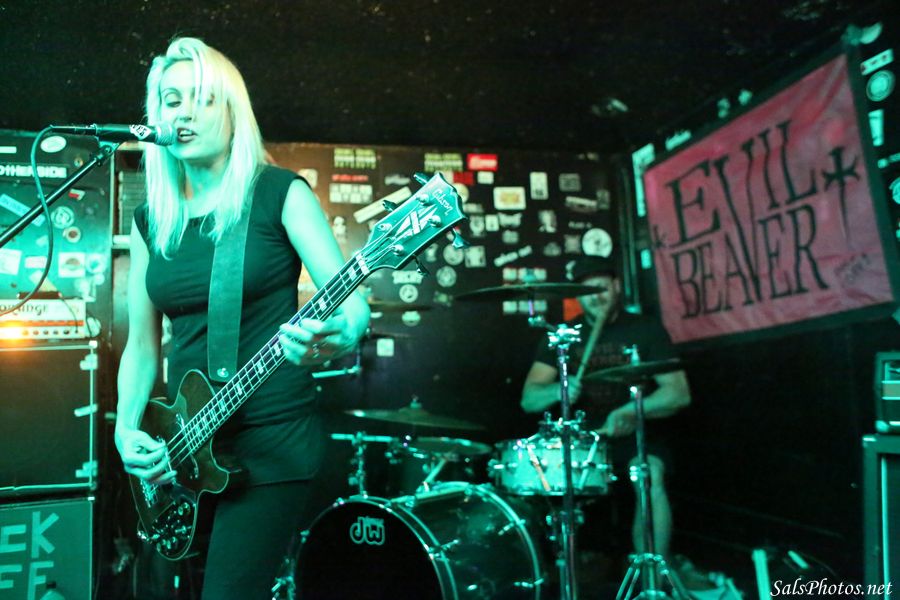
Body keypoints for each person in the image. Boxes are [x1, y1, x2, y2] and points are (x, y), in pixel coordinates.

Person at [113, 37, 370, 599]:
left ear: (234, 112)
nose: (184, 113)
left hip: (270, 439)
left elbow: (353, 306)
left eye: (203, 98)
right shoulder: (151, 220)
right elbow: (142, 344)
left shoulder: (280, 193)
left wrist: (336, 336)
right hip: (184, 443)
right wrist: (125, 428)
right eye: (171, 101)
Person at [520, 255, 690, 561]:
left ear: (616, 286)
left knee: (648, 475)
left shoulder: (645, 329)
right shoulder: (563, 336)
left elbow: (678, 393)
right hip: (582, 440)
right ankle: (562, 567)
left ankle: (652, 573)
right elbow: (528, 399)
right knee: (541, 481)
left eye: (602, 288)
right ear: (577, 297)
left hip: (635, 435)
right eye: (587, 292)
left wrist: (631, 411)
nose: (596, 297)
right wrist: (558, 390)